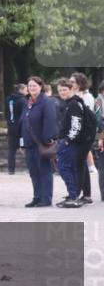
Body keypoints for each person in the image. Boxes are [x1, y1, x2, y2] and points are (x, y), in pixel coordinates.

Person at [21, 76, 58, 208]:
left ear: (40, 87)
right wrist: (22, 142)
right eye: (30, 86)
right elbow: (23, 123)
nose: (32, 88)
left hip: (42, 143)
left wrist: (48, 139)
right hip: (29, 143)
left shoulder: (46, 102)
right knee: (34, 172)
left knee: (44, 171)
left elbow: (50, 121)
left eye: (34, 86)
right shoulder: (27, 102)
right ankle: (37, 197)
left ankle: (46, 198)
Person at [55, 78, 87, 208]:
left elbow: (76, 125)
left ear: (71, 89)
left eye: (65, 89)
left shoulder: (73, 104)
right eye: (60, 90)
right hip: (69, 141)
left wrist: (67, 140)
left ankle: (73, 196)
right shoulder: (70, 103)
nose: (62, 92)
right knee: (68, 169)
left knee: (64, 168)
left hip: (69, 142)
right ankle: (73, 195)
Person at [71, 72, 97, 194]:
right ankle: (85, 193)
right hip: (77, 135)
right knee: (81, 165)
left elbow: (85, 114)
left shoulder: (87, 97)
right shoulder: (74, 96)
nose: (70, 84)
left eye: (73, 82)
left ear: (79, 83)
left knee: (80, 165)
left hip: (84, 134)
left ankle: (80, 192)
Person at [5, 83, 28, 175]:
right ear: (21, 90)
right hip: (21, 128)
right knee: (25, 147)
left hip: (11, 126)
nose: (27, 91)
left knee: (11, 149)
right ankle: (30, 167)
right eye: (26, 89)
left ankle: (11, 169)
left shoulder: (8, 99)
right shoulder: (23, 100)